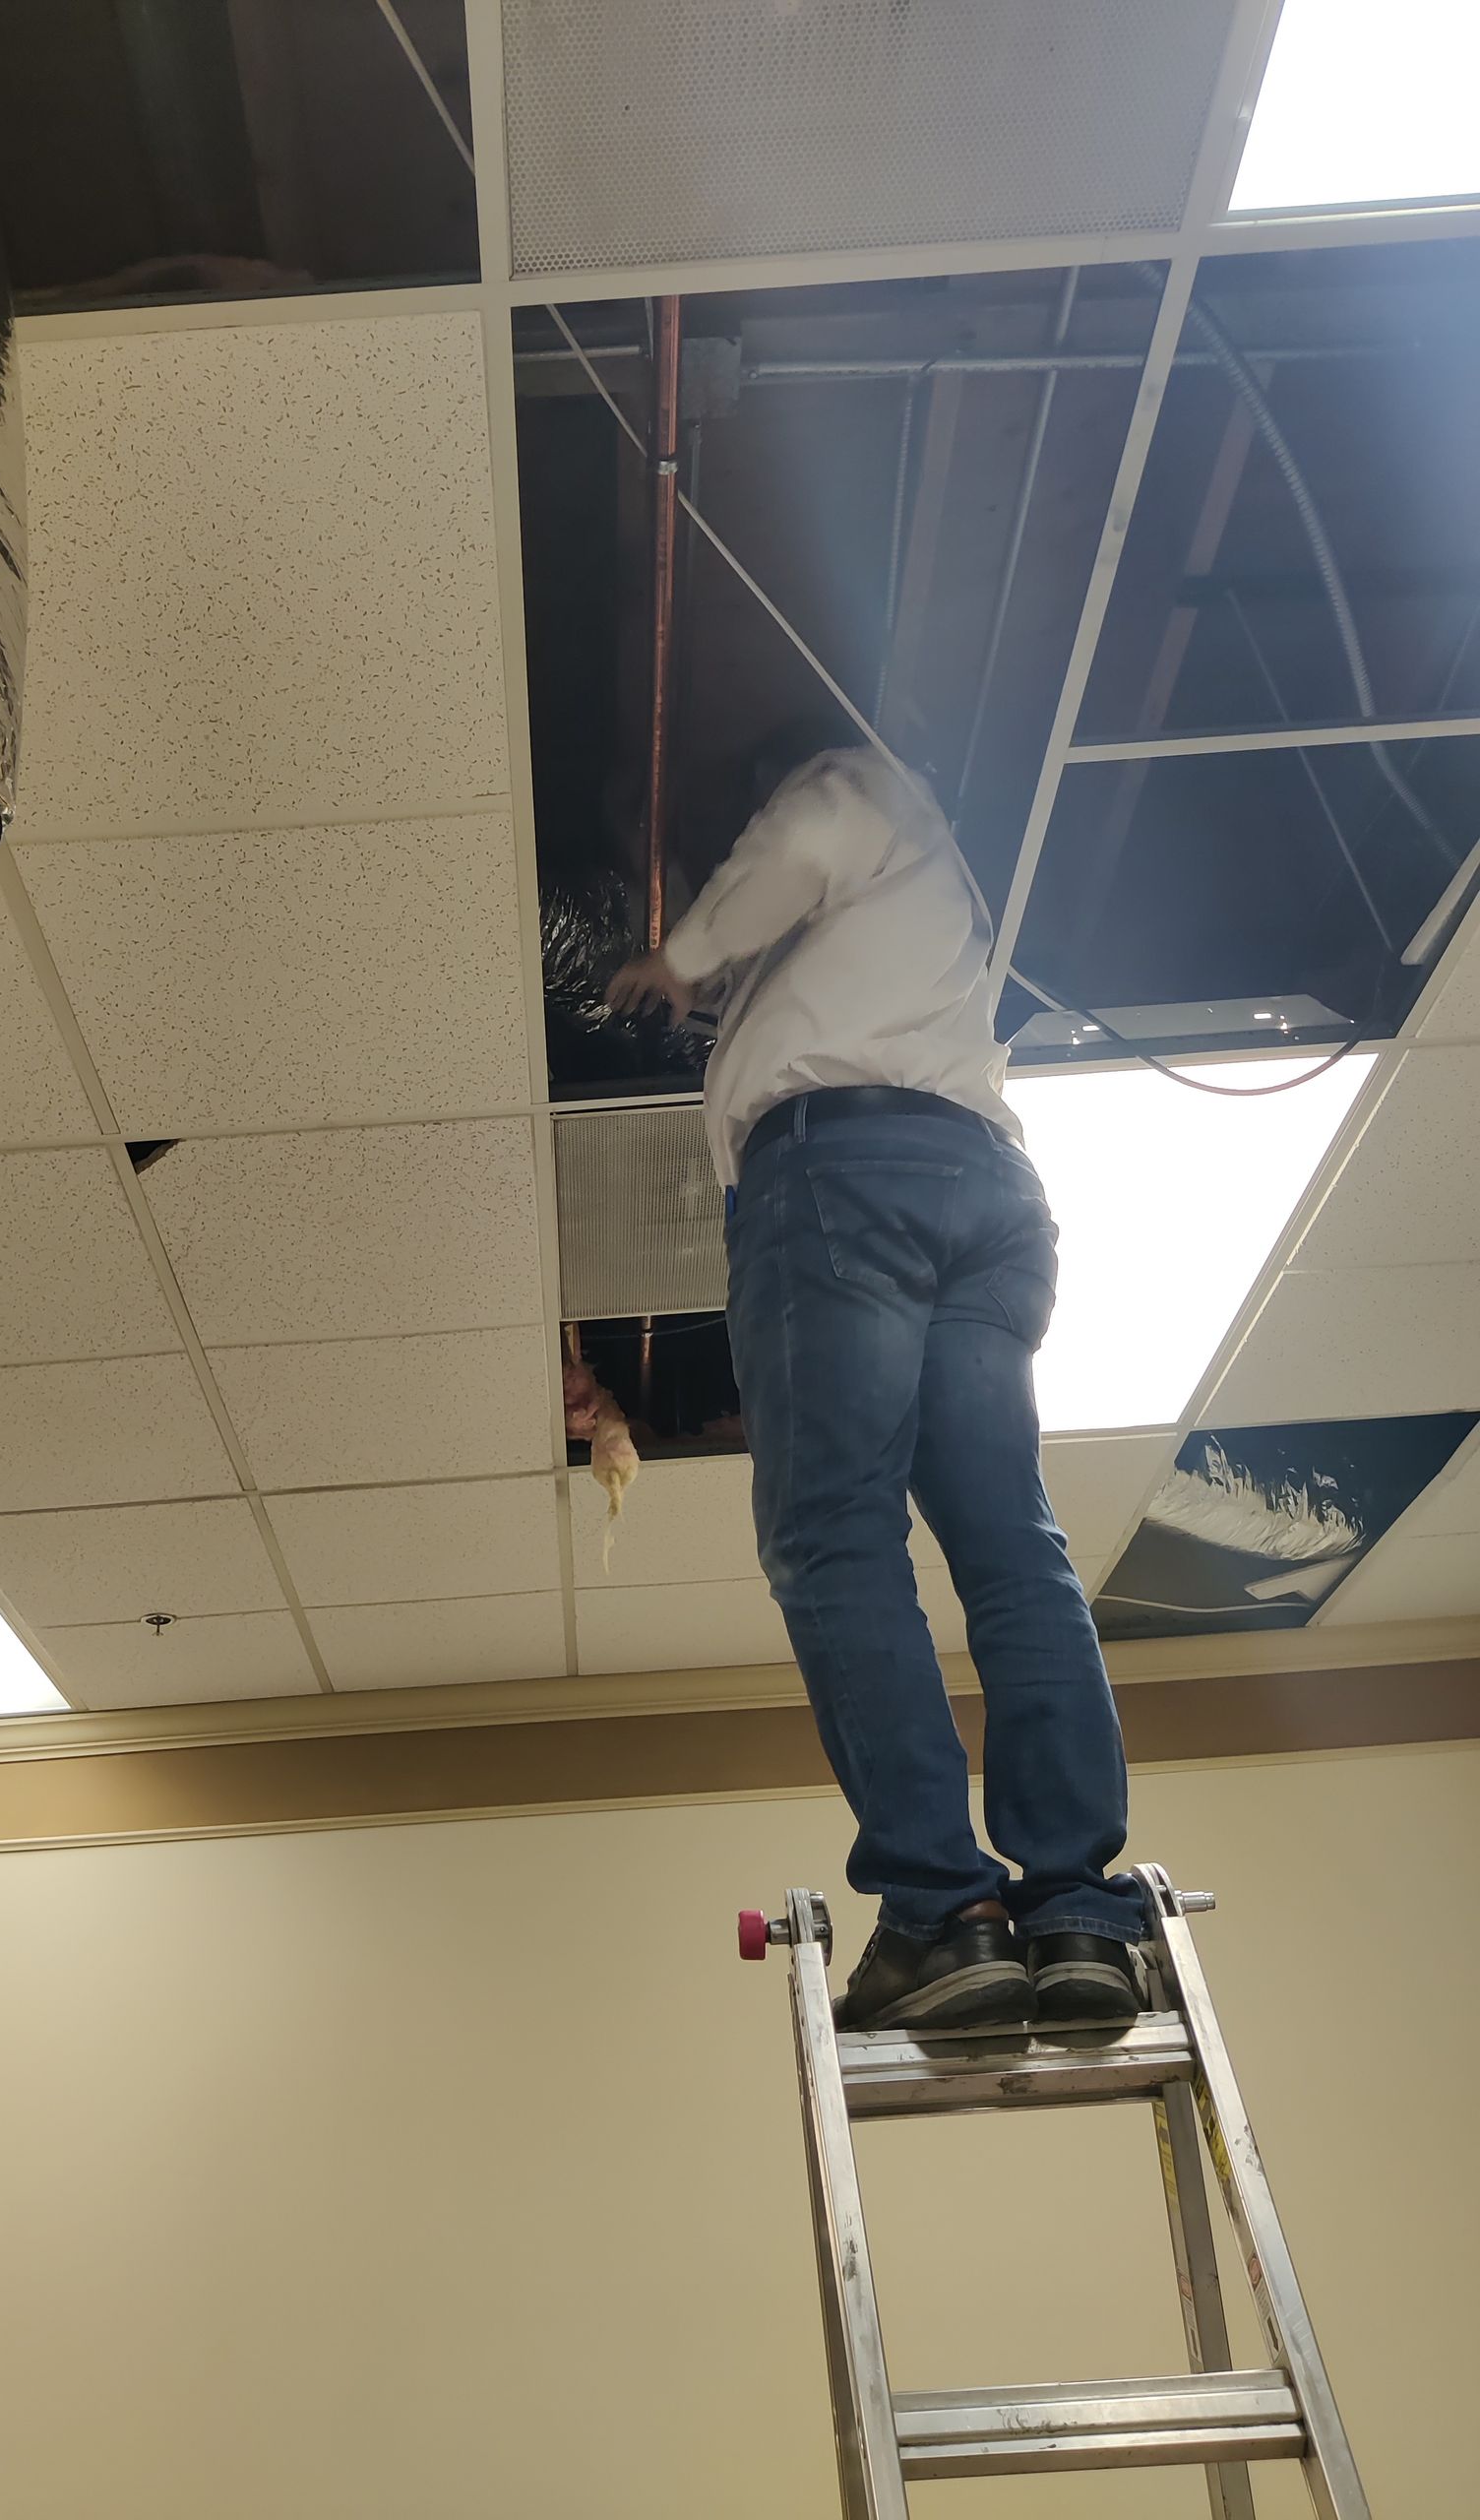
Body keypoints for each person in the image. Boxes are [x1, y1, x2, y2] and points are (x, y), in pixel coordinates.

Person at [606, 719, 1147, 2033]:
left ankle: (942, 1911)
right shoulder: (931, 915)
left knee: (832, 1537)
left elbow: (805, 832)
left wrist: (675, 962)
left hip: (849, 1179)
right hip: (982, 1199)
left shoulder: (865, 784)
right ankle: (1072, 1902)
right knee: (1011, 1546)